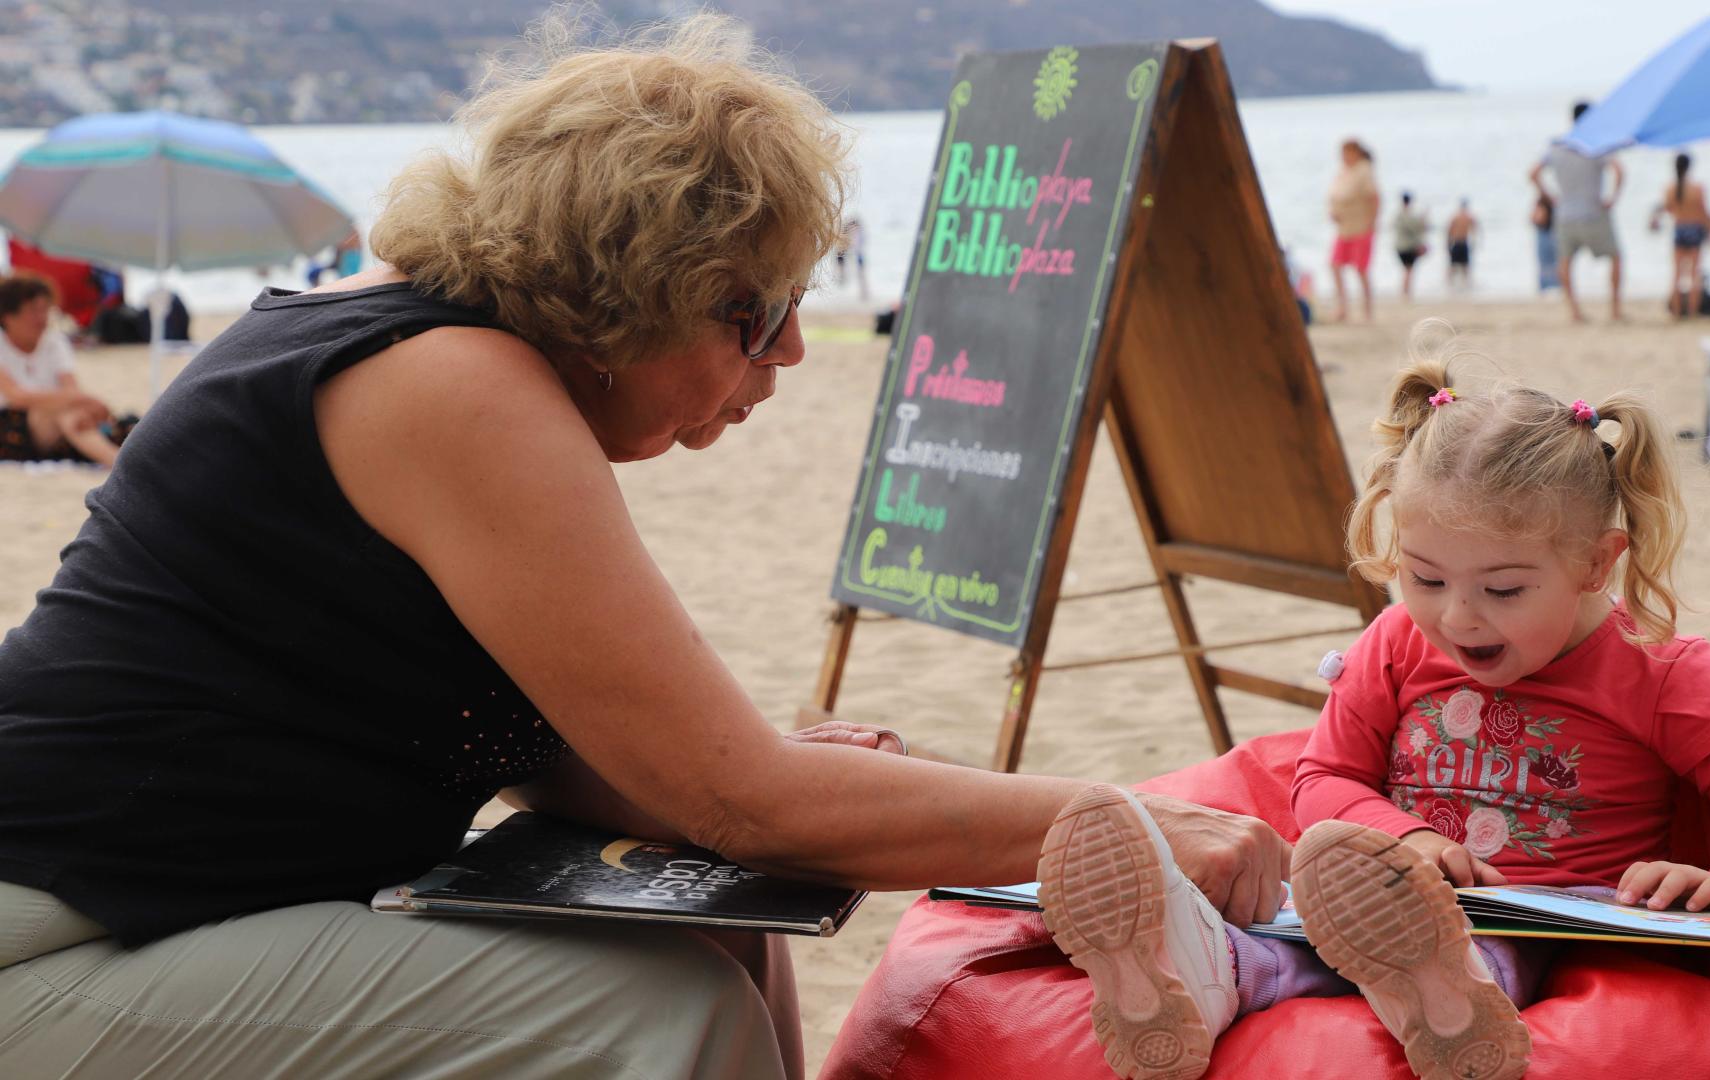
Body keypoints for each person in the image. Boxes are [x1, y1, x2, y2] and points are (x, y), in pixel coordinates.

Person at [0, 18, 1288, 1078]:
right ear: (631, 285)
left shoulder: (417, 345)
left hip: (128, 902)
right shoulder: (453, 387)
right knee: (660, 1014)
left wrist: (778, 786)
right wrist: (1137, 824)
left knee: (725, 924)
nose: (785, 355)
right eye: (758, 310)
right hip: (48, 939)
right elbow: (739, 798)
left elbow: (624, 777)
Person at [1038, 354, 1710, 1080]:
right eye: (1424, 579)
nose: (1458, 619)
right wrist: (1406, 839)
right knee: (1280, 944)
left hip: (1547, 924)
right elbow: (1326, 775)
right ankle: (1177, 984)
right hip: (1370, 903)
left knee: (1475, 953)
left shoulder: (1662, 671)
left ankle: (1451, 1011)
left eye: (1504, 589)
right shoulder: (1396, 642)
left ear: (1597, 563)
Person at [0, 272, 132, 466]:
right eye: (33, 311)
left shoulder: (53, 341)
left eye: (45, 310)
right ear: (8, 317)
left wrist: (78, 401)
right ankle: (120, 465)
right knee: (67, 413)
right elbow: (17, 397)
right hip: (9, 426)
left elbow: (70, 388)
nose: (41, 318)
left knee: (74, 416)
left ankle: (118, 464)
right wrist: (86, 400)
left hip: (53, 421)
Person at [1530, 103, 1625, 323]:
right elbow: (1619, 170)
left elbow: (1533, 173)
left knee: (1565, 263)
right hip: (1593, 211)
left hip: (1565, 213)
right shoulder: (1596, 145)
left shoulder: (1557, 146)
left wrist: (1550, 196)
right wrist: (1613, 198)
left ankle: (1574, 312)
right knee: (1615, 257)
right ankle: (1615, 310)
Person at [1650, 153, 1710, 317]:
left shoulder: (1670, 188)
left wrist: (1655, 219)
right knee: (1694, 274)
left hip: (1679, 229)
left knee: (1676, 274)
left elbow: (1668, 209)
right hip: (1694, 229)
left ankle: (1677, 312)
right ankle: (1692, 312)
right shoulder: (1697, 189)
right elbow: (1703, 213)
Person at [1327, 138, 1380, 322]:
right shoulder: (1344, 171)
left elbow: (1375, 198)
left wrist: (1372, 223)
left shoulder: (1364, 170)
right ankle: (1343, 307)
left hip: (1361, 227)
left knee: (1361, 269)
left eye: (1348, 152)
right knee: (1335, 265)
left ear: (1356, 152)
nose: (1344, 157)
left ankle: (1367, 310)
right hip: (1344, 228)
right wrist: (1333, 212)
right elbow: (1335, 196)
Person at [1391, 192, 1430, 300]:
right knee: (1409, 270)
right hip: (1409, 247)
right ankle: (1406, 292)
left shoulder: (1397, 215)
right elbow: (1420, 228)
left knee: (1406, 270)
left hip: (1399, 246)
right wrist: (1424, 218)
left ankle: (1404, 291)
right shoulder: (1411, 216)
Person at [1445, 199, 1478, 289]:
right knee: (1464, 267)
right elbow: (1475, 230)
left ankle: (1449, 286)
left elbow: (1449, 232)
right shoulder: (1469, 217)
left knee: (1453, 267)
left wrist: (1447, 245)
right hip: (1463, 243)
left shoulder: (1455, 217)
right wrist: (1474, 243)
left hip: (1456, 243)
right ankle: (1465, 286)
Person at [1531, 192, 1559, 292]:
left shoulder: (1553, 231)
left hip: (1552, 263)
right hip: (1545, 270)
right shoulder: (1541, 231)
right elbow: (1532, 219)